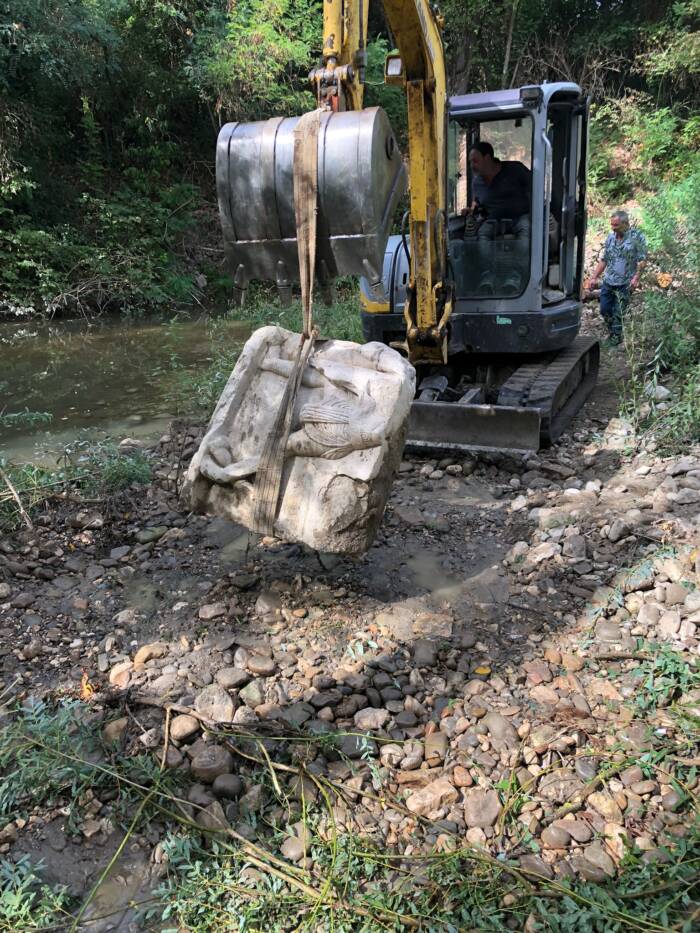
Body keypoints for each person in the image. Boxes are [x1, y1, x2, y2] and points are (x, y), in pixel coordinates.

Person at [589, 210, 647, 346]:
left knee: (618, 311)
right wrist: (594, 277)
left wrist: (636, 278)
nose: (613, 228)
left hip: (625, 282)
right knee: (604, 309)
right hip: (609, 281)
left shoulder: (637, 237)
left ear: (626, 224)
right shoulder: (610, 237)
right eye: (612, 225)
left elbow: (642, 260)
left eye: (616, 225)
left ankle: (615, 337)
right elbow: (604, 259)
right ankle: (613, 332)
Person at [469, 141, 531, 238]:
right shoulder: (476, 183)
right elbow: (480, 207)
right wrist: (471, 211)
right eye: (470, 162)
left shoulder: (516, 170)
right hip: (494, 221)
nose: (472, 166)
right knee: (483, 233)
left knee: (525, 230)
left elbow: (536, 189)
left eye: (475, 161)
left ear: (487, 158)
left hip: (520, 217)